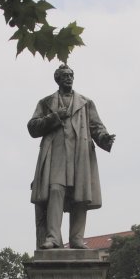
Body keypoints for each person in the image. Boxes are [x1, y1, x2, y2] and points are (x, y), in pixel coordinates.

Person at [27, 64, 115, 249]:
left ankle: (76, 238)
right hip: (56, 153)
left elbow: (96, 126)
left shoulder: (85, 102)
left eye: (71, 75)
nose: (68, 78)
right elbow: (33, 127)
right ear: (57, 79)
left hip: (80, 153)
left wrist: (104, 138)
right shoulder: (46, 102)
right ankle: (53, 237)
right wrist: (54, 117)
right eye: (64, 75)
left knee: (80, 195)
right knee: (56, 191)